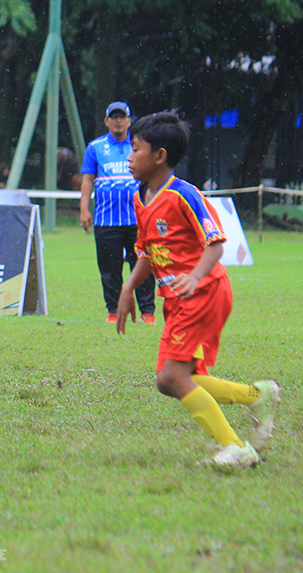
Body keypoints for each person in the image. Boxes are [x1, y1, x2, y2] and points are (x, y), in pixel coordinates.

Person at [116, 111, 280, 468]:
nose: (129, 157)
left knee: (174, 376)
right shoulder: (140, 197)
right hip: (178, 299)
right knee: (171, 380)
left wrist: (193, 277)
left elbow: (215, 244)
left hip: (204, 293)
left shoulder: (184, 195)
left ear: (159, 156)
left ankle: (235, 447)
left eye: (136, 149)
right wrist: (129, 287)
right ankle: (257, 396)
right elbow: (147, 252)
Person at [80, 101, 156, 324]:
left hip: (138, 219)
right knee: (109, 269)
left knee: (142, 264)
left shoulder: (140, 145)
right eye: (114, 117)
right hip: (106, 220)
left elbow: (152, 175)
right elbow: (87, 179)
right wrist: (84, 209)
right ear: (106, 121)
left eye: (122, 117)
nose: (118, 121)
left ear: (129, 121)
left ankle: (147, 312)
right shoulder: (95, 147)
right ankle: (113, 311)